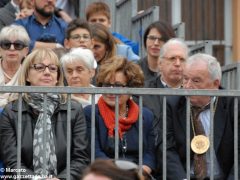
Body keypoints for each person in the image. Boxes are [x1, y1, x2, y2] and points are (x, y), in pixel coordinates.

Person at [0, 48, 89, 179]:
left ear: (58, 76)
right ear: (26, 75)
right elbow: (11, 162)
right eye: (39, 67)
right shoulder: (11, 111)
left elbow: (81, 158)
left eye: (53, 68)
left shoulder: (74, 109)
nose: (47, 72)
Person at [166, 53, 239, 179]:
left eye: (196, 81)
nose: (187, 86)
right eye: (185, 79)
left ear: (215, 84)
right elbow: (167, 148)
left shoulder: (234, 105)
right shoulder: (173, 104)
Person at [84, 56, 156, 177]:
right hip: (106, 174)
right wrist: (118, 175)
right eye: (107, 85)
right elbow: (95, 153)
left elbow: (150, 154)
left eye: (117, 85)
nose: (111, 91)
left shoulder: (145, 115)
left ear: (130, 87)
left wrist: (141, 173)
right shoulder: (90, 113)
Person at [0, 24, 29, 108]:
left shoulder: (29, 74)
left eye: (18, 45)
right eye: (6, 44)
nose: (12, 48)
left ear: (26, 51)